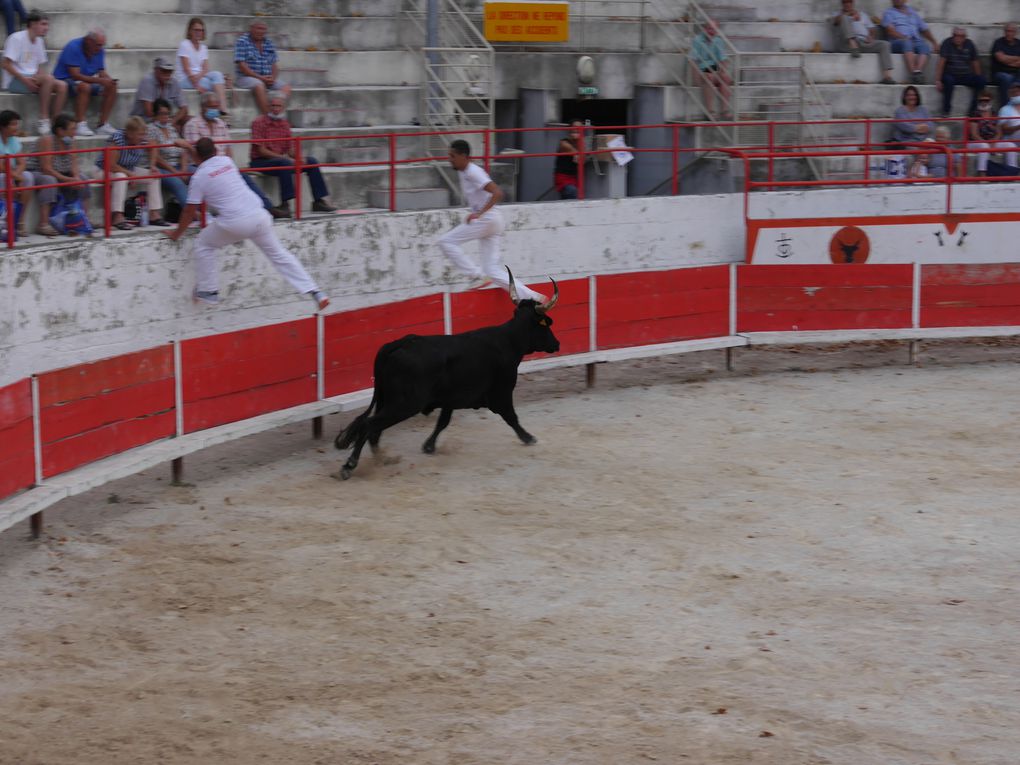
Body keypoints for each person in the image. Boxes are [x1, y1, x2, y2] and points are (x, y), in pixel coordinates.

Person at [165, 137, 329, 310]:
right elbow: (205, 160)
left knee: (203, 243)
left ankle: (208, 291)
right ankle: (315, 291)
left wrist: (176, 235)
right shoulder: (227, 161)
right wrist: (189, 147)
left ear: (197, 155)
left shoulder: (199, 177)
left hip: (235, 223)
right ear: (215, 151)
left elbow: (189, 211)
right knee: (280, 255)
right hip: (260, 216)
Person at [438, 139, 545, 302]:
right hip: (492, 220)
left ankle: (475, 275)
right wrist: (475, 212)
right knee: (491, 270)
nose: (449, 159)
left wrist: (479, 214)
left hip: (487, 220)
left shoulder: (473, 171)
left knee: (446, 242)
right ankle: (533, 297)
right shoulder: (464, 171)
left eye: (452, 156)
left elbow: (497, 193)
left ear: (464, 156)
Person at [183, 91, 282, 216]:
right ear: (202, 107)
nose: (214, 110)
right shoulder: (192, 125)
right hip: (200, 165)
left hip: (223, 163)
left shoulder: (221, 123)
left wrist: (229, 165)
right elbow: (195, 153)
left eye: (216, 107)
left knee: (243, 176)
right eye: (211, 107)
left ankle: (267, 208)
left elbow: (228, 149)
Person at [249, 93, 337, 216]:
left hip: (278, 160)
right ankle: (285, 204)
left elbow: (289, 148)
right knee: (285, 163)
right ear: (268, 107)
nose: (275, 109)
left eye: (278, 106)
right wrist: (285, 158)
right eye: (273, 106)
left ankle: (318, 201)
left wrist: (300, 158)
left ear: (283, 108)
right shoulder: (258, 122)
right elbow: (261, 151)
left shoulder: (285, 124)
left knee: (312, 161)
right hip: (260, 161)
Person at [25, 114, 95, 236]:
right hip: (37, 172)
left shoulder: (71, 140)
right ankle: (43, 224)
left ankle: (84, 218)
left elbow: (74, 164)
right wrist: (69, 180)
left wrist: (76, 178)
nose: (75, 132)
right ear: (60, 130)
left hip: (62, 172)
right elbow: (46, 168)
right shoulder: (47, 140)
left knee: (83, 179)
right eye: (72, 129)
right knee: (49, 180)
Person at [97, 115, 170, 229]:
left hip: (128, 169)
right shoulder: (117, 139)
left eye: (143, 134)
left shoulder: (142, 139)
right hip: (103, 170)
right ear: (130, 133)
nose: (143, 137)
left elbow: (153, 146)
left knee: (154, 176)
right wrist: (129, 175)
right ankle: (118, 216)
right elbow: (110, 165)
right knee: (121, 176)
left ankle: (154, 214)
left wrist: (152, 165)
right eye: (140, 134)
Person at [2, 9, 67, 134]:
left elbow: (38, 68)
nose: (46, 28)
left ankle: (56, 123)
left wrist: (40, 80)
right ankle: (43, 118)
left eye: (47, 24)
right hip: (14, 81)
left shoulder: (39, 41)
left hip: (32, 78)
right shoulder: (16, 38)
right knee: (48, 78)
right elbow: (5, 64)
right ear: (32, 24)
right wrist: (26, 81)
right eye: (43, 24)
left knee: (62, 86)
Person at [52, 27, 117, 137]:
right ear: (88, 41)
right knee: (84, 86)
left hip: (86, 79)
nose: (100, 48)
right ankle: (80, 124)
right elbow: (75, 75)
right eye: (98, 45)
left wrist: (108, 80)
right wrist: (100, 80)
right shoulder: (73, 46)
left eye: (102, 45)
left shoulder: (99, 50)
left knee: (112, 87)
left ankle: (102, 125)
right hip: (66, 80)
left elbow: (101, 71)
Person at [831, 0, 895, 84]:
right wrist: (849, 15)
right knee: (844, 18)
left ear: (853, 3)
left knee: (885, 44)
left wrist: (871, 37)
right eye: (845, 2)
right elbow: (836, 21)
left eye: (849, 2)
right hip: (846, 44)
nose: (847, 4)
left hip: (863, 42)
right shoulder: (837, 14)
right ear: (842, 3)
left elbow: (872, 29)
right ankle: (852, 43)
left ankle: (887, 77)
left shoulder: (862, 15)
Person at [234, 20, 290, 115]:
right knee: (259, 85)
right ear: (251, 28)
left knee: (286, 87)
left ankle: (278, 115)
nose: (261, 31)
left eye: (263, 29)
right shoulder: (242, 41)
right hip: (245, 78)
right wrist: (261, 78)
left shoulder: (269, 43)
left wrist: (273, 78)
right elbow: (242, 66)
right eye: (258, 28)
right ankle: (268, 117)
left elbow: (274, 65)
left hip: (266, 78)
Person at [176, 17, 229, 117]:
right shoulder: (184, 45)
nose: (198, 32)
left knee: (218, 74)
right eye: (196, 30)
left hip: (198, 76)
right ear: (190, 31)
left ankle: (223, 110)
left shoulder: (203, 47)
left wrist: (199, 76)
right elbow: (186, 69)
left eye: (201, 30)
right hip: (185, 78)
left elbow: (205, 69)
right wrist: (197, 85)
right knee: (214, 84)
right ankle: (223, 114)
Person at [147, 98, 192, 210]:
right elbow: (156, 157)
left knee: (200, 174)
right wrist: (176, 173)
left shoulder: (172, 128)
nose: (165, 117)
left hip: (178, 165)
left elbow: (183, 150)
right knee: (177, 183)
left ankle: (205, 211)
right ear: (155, 114)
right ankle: (194, 215)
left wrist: (183, 170)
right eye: (162, 114)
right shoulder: (151, 129)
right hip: (163, 168)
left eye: (167, 114)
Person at [935, 27, 986, 118]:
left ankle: (973, 111)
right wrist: (938, 80)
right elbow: (941, 62)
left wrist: (978, 77)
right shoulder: (947, 43)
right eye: (956, 35)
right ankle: (946, 111)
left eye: (961, 36)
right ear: (952, 36)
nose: (958, 38)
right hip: (950, 74)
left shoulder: (970, 44)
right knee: (948, 80)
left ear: (965, 37)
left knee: (981, 80)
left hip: (966, 75)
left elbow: (975, 62)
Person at [881, 0, 936, 84]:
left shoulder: (912, 12)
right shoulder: (889, 13)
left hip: (915, 41)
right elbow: (890, 31)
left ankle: (918, 71)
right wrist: (904, 37)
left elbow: (924, 29)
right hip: (897, 42)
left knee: (925, 46)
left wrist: (934, 42)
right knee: (907, 43)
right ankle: (913, 73)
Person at [0, 108, 36, 236]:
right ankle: (6, 221)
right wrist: (15, 177)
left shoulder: (13, 139)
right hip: (4, 175)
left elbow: (22, 162)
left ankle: (19, 220)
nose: (16, 127)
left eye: (17, 124)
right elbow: (1, 166)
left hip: (12, 173)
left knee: (28, 177)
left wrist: (18, 177)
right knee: (4, 178)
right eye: (13, 124)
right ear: (3, 126)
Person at [966, 91, 1017, 176]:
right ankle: (982, 174)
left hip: (991, 142)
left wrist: (994, 141)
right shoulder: (974, 114)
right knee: (984, 146)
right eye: (981, 100)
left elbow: (999, 132)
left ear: (990, 101)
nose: (984, 102)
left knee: (1011, 146)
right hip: (975, 142)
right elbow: (974, 135)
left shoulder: (994, 114)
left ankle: (1013, 172)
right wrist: (987, 144)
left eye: (986, 100)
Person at [691, 20, 731, 120]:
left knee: (725, 78)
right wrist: (695, 78)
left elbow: (723, 59)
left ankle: (724, 111)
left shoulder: (718, 40)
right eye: (709, 29)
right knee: (709, 76)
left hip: (714, 69)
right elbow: (693, 59)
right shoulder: (697, 40)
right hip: (702, 69)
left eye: (714, 29)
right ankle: (710, 111)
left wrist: (723, 71)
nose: (712, 31)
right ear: (704, 29)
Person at [130, 56, 187, 128]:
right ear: (155, 70)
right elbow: (149, 113)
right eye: (164, 70)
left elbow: (184, 109)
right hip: (144, 120)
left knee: (187, 119)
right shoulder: (147, 81)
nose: (167, 73)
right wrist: (167, 123)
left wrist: (172, 122)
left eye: (170, 71)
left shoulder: (174, 81)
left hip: (165, 118)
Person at [990, 23, 1020, 109]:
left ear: (1015, 32)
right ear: (1004, 32)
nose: (1009, 33)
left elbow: (1004, 59)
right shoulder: (998, 42)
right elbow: (1000, 58)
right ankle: (1006, 108)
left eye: (1011, 31)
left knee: (1016, 82)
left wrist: (1007, 59)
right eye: (1007, 31)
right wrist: (1016, 59)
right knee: (1007, 78)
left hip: (1016, 73)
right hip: (999, 73)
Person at [554, 120, 584, 199]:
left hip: (572, 178)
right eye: (575, 127)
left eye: (580, 128)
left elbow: (581, 160)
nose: (577, 129)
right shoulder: (564, 143)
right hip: (563, 178)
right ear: (570, 129)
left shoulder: (579, 144)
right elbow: (577, 154)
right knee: (572, 193)